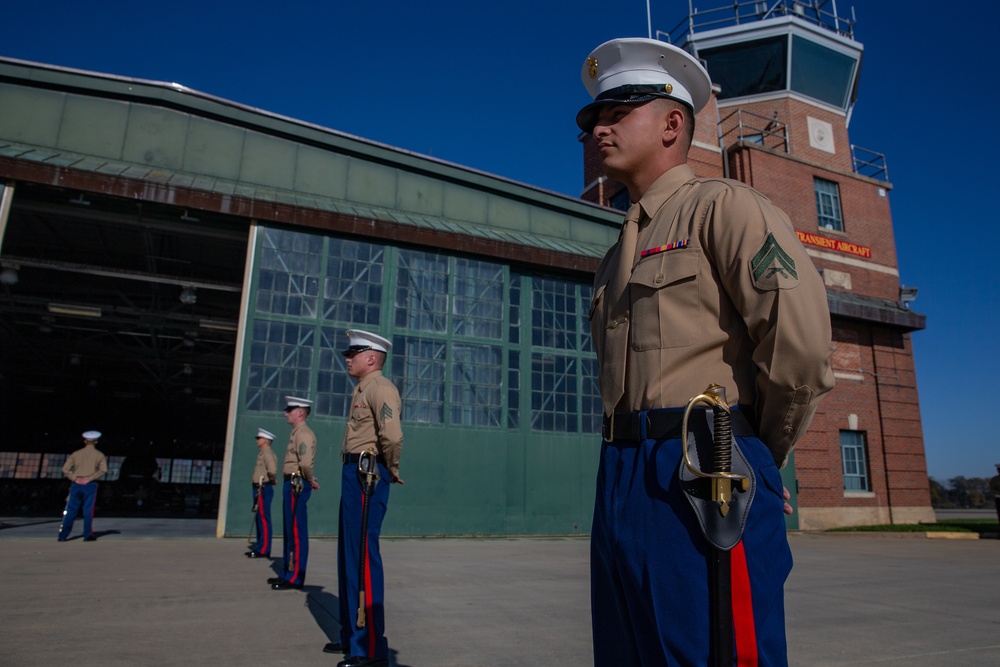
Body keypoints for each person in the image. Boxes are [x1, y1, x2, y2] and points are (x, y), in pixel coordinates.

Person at [577, 38, 835, 665]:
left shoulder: (726, 208)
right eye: (591, 119)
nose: (597, 128)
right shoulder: (614, 258)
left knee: (715, 651)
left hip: (707, 468)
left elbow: (798, 349)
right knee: (627, 650)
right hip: (620, 474)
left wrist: (755, 455)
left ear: (672, 123)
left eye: (616, 112)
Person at [322, 330, 404, 667]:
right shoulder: (363, 388)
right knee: (348, 555)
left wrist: (391, 468)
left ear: (371, 358)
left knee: (362, 559)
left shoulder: (381, 387)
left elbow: (393, 435)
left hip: (367, 475)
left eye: (353, 352)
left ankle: (369, 647)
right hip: (354, 474)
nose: (348, 357)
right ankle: (351, 635)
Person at [268, 396, 320, 590]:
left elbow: (305, 463)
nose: (286, 413)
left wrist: (308, 478)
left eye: (289, 409)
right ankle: (288, 572)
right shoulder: (296, 433)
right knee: (290, 531)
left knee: (296, 532)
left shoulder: (304, 434)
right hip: (293, 483)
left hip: (296, 485)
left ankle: (295, 576)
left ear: (300, 412)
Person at [58, 430, 109, 542]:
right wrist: (89, 478)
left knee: (71, 510)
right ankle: (87, 535)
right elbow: (103, 470)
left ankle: (63, 535)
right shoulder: (99, 455)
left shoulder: (76, 454)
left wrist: (75, 478)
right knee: (88, 510)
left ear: (85, 441)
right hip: (89, 484)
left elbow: (65, 469)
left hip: (76, 484)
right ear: (96, 442)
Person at [246, 428, 278, 559]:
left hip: (263, 487)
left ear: (265, 441)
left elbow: (272, 470)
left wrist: (270, 480)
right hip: (259, 487)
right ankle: (260, 546)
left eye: (259, 438)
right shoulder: (262, 453)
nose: (257, 440)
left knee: (264, 518)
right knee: (259, 518)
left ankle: (264, 549)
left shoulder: (268, 454)